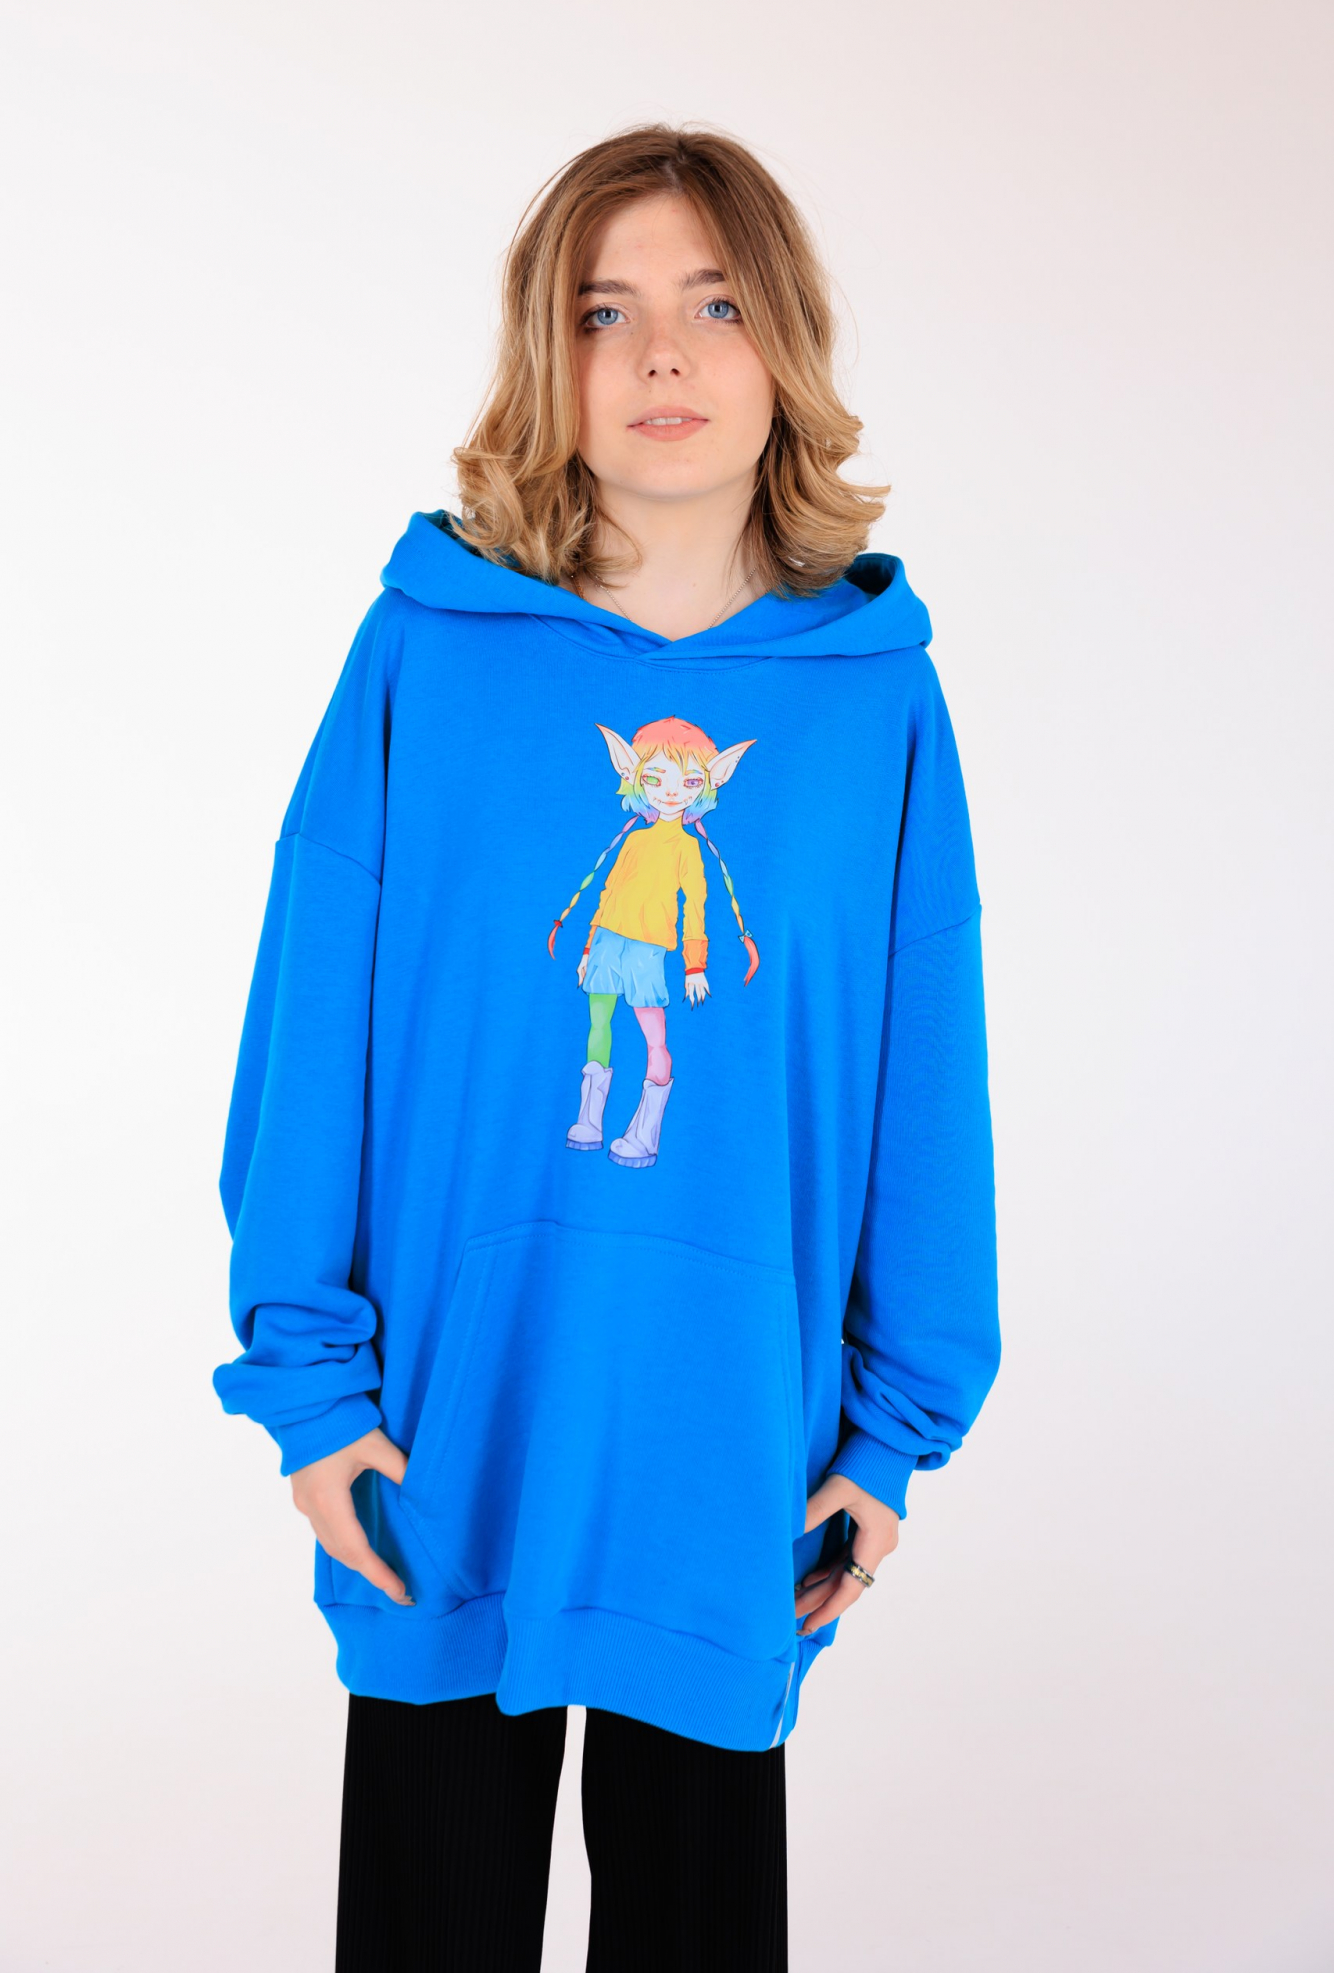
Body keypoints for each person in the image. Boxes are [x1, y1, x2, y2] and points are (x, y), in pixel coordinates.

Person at [213, 123, 1001, 1972]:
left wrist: (888, 1435)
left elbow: (925, 1081)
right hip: (442, 1417)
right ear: (542, 358)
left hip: (730, 1434)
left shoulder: (874, 698)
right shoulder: (426, 650)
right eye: (601, 310)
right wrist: (311, 1391)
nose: (659, 355)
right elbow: (308, 1027)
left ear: (782, 342)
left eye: (712, 305)